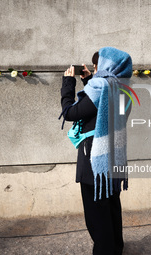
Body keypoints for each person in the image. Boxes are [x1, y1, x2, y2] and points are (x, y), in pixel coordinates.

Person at [59, 47, 132, 255]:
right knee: (111, 207)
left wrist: (68, 84)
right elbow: (98, 110)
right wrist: (88, 80)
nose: (94, 69)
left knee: (97, 214)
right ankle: (116, 247)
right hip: (114, 156)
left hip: (95, 160)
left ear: (106, 66)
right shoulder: (123, 88)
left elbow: (71, 112)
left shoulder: (100, 87)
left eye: (96, 65)